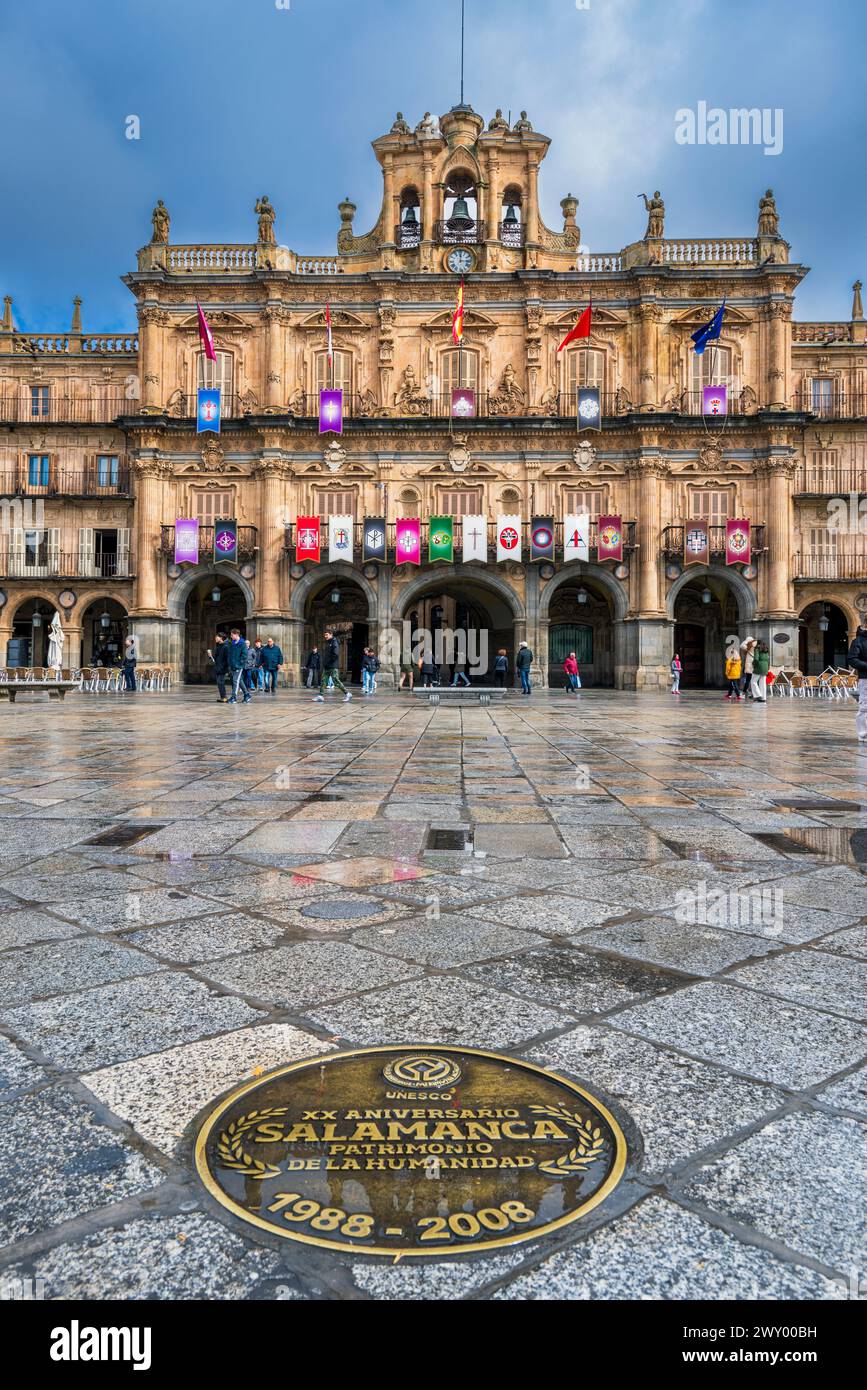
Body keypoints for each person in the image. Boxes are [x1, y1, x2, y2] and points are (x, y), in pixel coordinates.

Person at [313, 629, 352, 702]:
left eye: (326, 635)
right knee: (323, 681)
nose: (325, 636)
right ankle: (320, 696)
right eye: (325, 635)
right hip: (327, 666)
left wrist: (328, 662)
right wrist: (325, 663)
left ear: (331, 634)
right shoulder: (328, 643)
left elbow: (335, 654)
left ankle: (347, 693)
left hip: (333, 666)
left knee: (336, 681)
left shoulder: (334, 642)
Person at [847, 618, 867, 742]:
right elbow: (852, 659)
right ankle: (864, 734)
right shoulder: (858, 641)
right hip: (866, 678)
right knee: (865, 706)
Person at [226, 629, 250, 704]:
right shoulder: (232, 643)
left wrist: (239, 664)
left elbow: (244, 655)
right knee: (239, 681)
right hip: (232, 666)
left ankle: (234, 697)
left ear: (236, 635)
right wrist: (230, 664)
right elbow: (230, 655)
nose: (231, 636)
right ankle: (247, 694)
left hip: (239, 666)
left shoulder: (242, 643)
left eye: (232, 635)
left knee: (235, 681)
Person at [210, 633, 229, 702]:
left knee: (220, 682)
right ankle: (223, 697)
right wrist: (210, 656)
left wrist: (225, 668)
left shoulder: (226, 646)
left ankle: (224, 697)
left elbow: (227, 659)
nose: (215, 638)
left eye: (216, 637)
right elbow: (215, 659)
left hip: (222, 668)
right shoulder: (218, 646)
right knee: (219, 682)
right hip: (218, 667)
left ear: (221, 638)